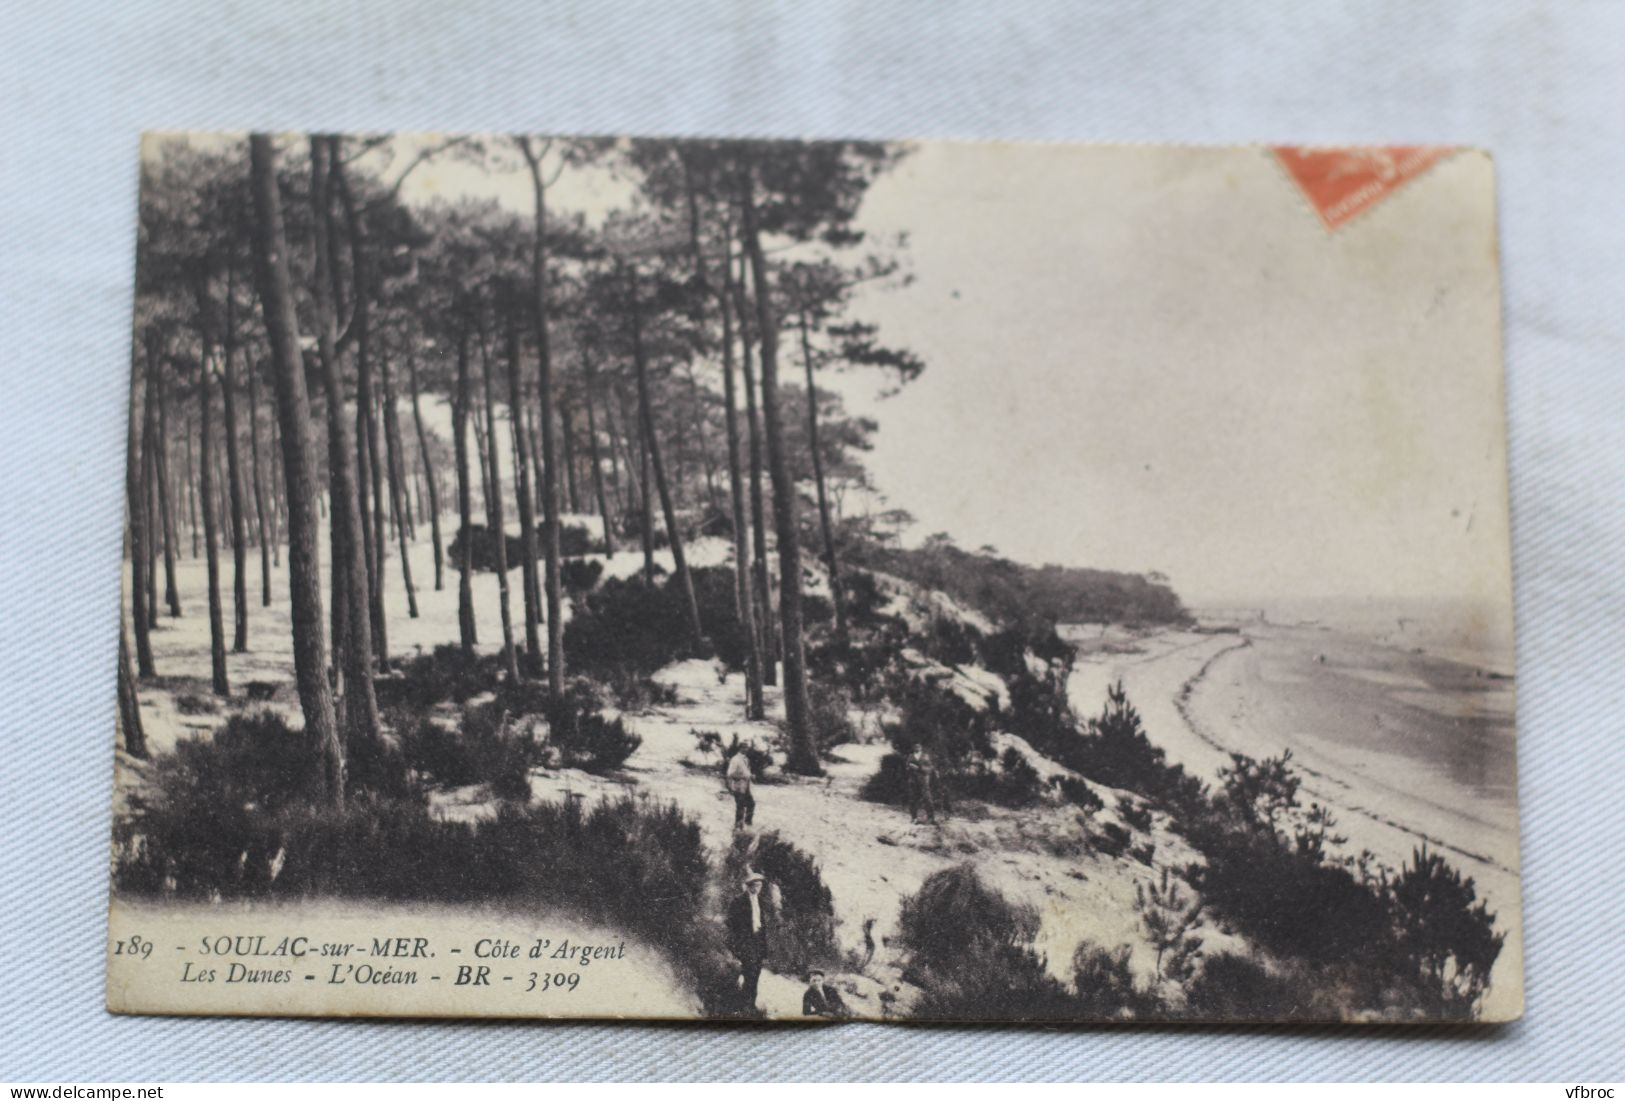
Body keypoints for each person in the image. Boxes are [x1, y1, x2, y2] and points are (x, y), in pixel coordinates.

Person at [725, 870, 771, 1012]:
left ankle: (750, 1005)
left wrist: (764, 949)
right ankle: (742, 1006)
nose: (757, 888)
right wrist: (735, 947)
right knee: (748, 974)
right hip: (745, 943)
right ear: (748, 885)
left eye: (759, 885)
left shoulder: (761, 902)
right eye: (754, 885)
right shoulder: (738, 901)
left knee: (755, 974)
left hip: (757, 942)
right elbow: (731, 925)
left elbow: (763, 927)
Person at [906, 743, 938, 824]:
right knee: (913, 799)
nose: (917, 747)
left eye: (918, 745)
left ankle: (931, 818)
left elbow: (930, 768)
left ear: (921, 747)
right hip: (913, 780)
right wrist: (909, 767)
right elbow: (906, 767)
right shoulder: (910, 756)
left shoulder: (925, 756)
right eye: (915, 745)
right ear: (913, 747)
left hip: (923, 780)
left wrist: (919, 768)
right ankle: (914, 818)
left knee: (927, 798)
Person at [725, 745, 755, 830]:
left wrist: (750, 776)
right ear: (740, 748)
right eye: (745, 747)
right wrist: (743, 776)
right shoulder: (735, 759)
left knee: (751, 804)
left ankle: (747, 824)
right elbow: (730, 774)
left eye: (747, 747)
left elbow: (746, 772)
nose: (747, 749)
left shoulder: (746, 759)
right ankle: (738, 826)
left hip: (746, 786)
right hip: (738, 786)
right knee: (740, 806)